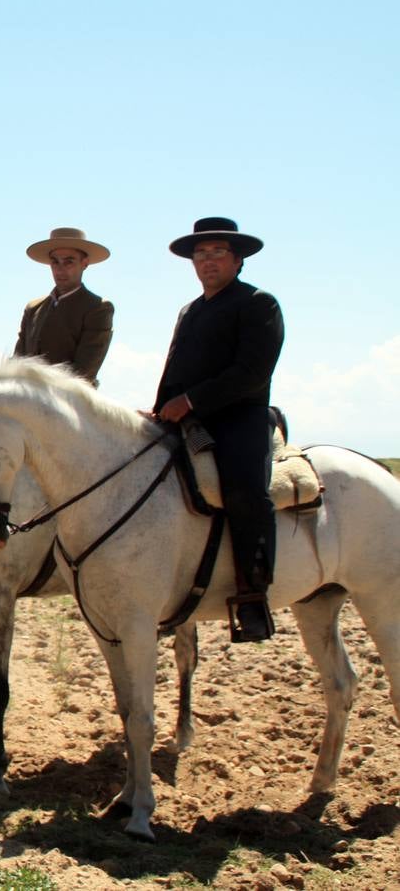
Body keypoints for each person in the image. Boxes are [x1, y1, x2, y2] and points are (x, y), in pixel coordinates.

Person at [152, 217, 284, 642]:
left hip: (240, 417)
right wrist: (160, 409)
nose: (207, 261)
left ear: (238, 259)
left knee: (245, 491)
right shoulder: (190, 311)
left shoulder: (259, 303)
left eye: (217, 252)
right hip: (187, 418)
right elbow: (174, 371)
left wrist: (190, 401)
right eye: (200, 254)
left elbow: (251, 372)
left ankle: (252, 595)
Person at [15, 227, 115, 385]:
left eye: (69, 261)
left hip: (71, 402)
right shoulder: (34, 308)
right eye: (55, 261)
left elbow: (84, 372)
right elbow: (17, 362)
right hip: (26, 397)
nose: (60, 269)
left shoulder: (98, 308)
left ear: (85, 263)